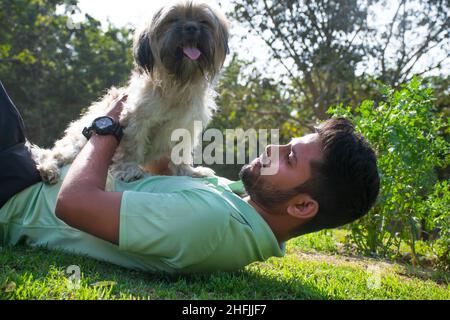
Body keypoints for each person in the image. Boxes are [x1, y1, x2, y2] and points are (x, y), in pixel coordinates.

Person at [0, 81, 380, 273]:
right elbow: (157, 172)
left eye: (290, 156)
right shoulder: (234, 203)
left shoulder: (210, 222)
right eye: (287, 144)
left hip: (16, 191)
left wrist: (106, 126)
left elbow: (74, 203)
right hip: (29, 159)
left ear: (301, 205)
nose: (272, 148)